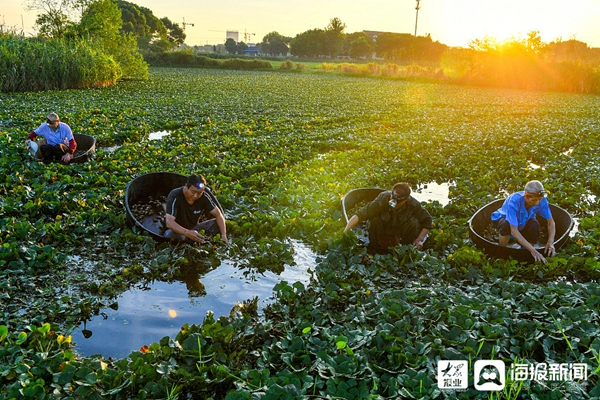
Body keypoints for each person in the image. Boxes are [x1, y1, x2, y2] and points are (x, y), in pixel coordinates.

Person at [344, 182, 432, 252]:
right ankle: (374, 247)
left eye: (398, 201)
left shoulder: (413, 204)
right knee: (374, 220)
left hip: (399, 230)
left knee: (413, 222)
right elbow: (360, 214)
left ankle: (406, 248)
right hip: (382, 228)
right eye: (393, 197)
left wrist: (419, 239)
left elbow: (427, 220)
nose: (394, 202)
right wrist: (345, 231)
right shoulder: (383, 198)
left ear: (406, 200)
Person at [490, 180, 556, 263]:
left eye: (539, 200)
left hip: (524, 221)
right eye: (534, 200)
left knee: (534, 225)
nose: (537, 203)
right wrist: (534, 250)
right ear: (526, 196)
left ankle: (525, 253)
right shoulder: (514, 201)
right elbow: (513, 230)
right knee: (505, 225)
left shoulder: (541, 201)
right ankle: (502, 252)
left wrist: (550, 242)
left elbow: (550, 222)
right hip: (504, 220)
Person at [164, 174, 228, 244]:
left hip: (195, 228)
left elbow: (218, 215)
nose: (195, 196)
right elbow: (169, 222)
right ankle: (190, 239)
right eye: (193, 192)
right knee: (168, 235)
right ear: (186, 186)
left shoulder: (204, 196)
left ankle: (197, 239)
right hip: (179, 231)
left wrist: (224, 235)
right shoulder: (175, 195)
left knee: (219, 222)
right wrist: (187, 233)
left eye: (199, 193)